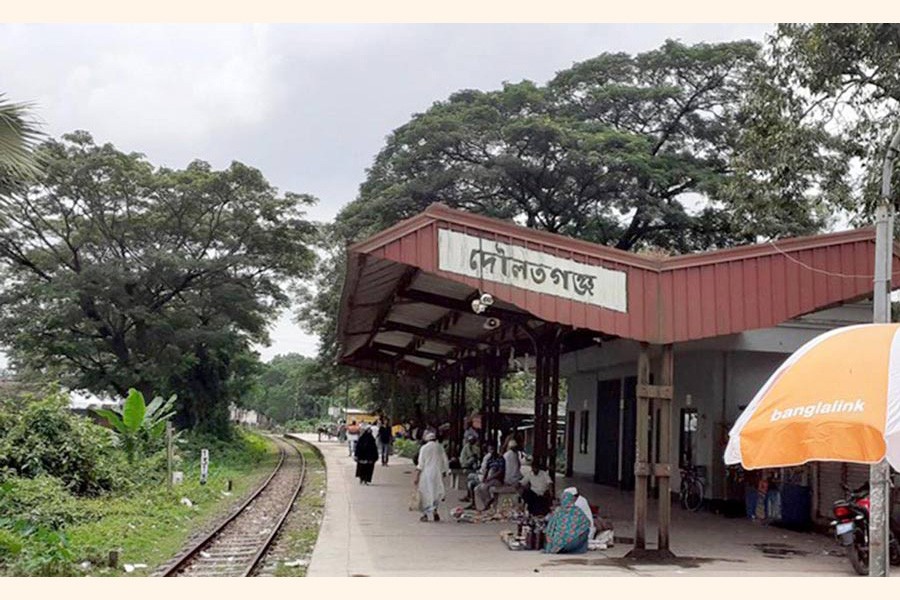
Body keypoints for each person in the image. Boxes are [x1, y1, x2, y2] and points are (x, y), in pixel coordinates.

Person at [414, 431, 449, 522]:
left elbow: (421, 464)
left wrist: (417, 477)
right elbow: (445, 460)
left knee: (425, 493)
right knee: (435, 493)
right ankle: (435, 511)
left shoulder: (424, 448)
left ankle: (425, 515)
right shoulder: (440, 447)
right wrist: (445, 471)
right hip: (437, 473)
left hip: (427, 473)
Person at [543, 489, 592, 554]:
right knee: (586, 529)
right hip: (572, 544)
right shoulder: (577, 511)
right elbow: (588, 523)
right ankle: (578, 550)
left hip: (557, 546)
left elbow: (549, 529)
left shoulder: (557, 512)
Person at [472, 445, 505, 512]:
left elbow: (500, 471)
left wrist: (491, 477)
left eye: (492, 449)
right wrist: (484, 478)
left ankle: (488, 503)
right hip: (489, 479)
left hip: (497, 479)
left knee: (484, 487)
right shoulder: (490, 459)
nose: (491, 451)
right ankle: (487, 502)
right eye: (490, 450)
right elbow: (487, 470)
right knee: (477, 489)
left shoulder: (500, 458)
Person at [458, 434, 482, 502]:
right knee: (469, 482)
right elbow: (469, 455)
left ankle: (470, 496)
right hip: (466, 465)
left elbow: (477, 456)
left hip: (473, 466)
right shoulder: (467, 447)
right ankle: (469, 496)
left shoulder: (476, 447)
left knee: (470, 482)